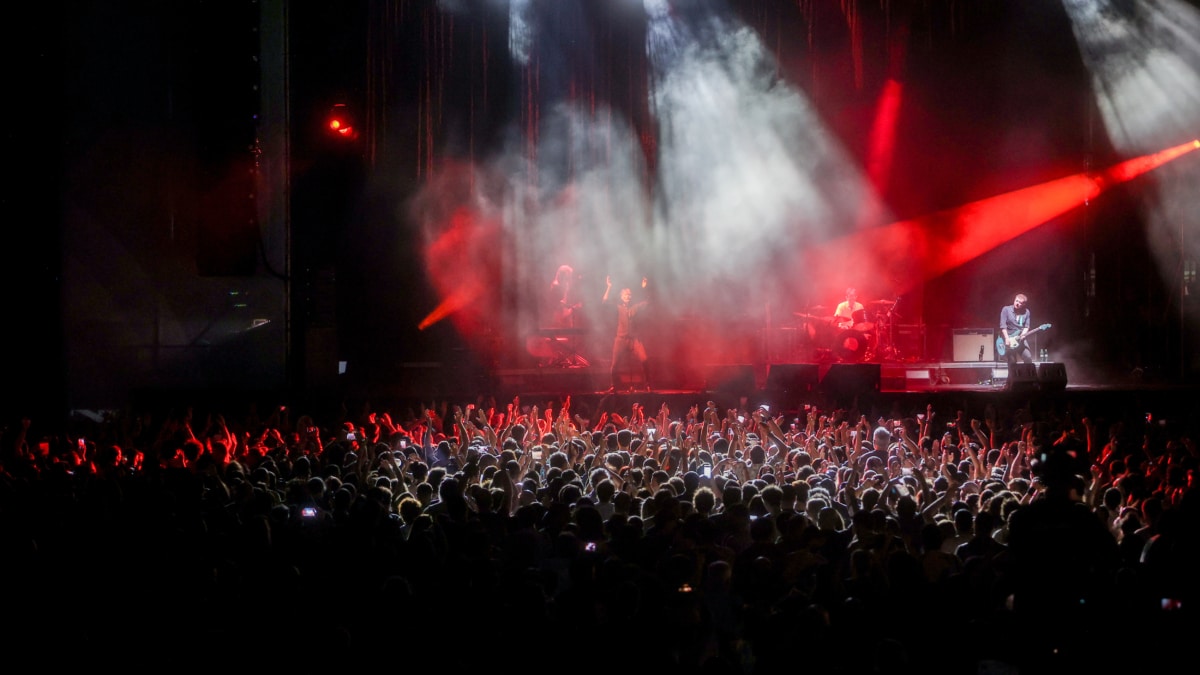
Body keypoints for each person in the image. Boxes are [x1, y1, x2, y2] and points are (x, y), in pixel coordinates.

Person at [602, 275, 651, 393]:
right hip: (621, 339)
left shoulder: (635, 307)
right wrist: (609, 287)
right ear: (621, 297)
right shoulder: (618, 307)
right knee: (615, 365)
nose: (628, 296)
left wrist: (645, 288)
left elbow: (648, 302)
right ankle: (614, 386)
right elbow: (604, 302)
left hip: (634, 340)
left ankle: (648, 385)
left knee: (645, 360)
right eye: (625, 294)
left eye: (629, 294)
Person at [999, 293, 1034, 365]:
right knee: (1012, 361)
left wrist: (1023, 335)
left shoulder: (1026, 312)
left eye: (1020, 303)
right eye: (1016, 301)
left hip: (1020, 339)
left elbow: (1027, 326)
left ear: (1024, 304)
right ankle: (1012, 376)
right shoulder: (1006, 309)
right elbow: (1003, 325)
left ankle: (1028, 375)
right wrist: (1006, 338)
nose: (1017, 303)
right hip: (1009, 338)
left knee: (1028, 358)